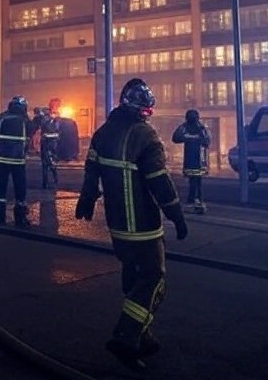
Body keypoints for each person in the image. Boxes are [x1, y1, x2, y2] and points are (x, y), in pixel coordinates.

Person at [75, 78, 188, 370]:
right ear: (145, 109)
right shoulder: (146, 137)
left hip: (117, 225)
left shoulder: (102, 133)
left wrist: (86, 199)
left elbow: (91, 169)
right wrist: (176, 215)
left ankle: (143, 334)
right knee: (153, 278)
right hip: (145, 224)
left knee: (133, 275)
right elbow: (160, 183)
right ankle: (126, 337)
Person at [0, 95, 33, 228]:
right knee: (20, 191)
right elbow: (31, 131)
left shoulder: (0, 118)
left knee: (0, 191)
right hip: (18, 161)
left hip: (0, 160)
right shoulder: (24, 120)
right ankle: (20, 219)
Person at [172, 109, 211, 214]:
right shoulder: (199, 128)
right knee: (196, 182)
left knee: (195, 182)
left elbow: (207, 141)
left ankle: (193, 201)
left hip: (195, 159)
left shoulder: (193, 128)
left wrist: (188, 137)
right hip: (196, 160)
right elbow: (176, 138)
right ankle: (196, 201)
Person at [34, 106, 60, 189]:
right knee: (51, 163)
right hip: (52, 144)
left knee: (46, 164)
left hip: (47, 144)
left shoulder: (45, 120)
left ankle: (46, 183)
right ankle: (54, 180)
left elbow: (37, 126)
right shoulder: (54, 120)